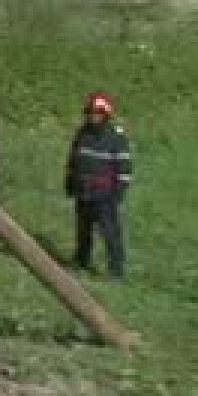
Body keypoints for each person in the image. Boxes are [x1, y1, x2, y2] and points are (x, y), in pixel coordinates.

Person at [66, 91, 133, 278]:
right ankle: (81, 259)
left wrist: (119, 192)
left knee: (110, 232)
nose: (93, 116)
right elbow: (74, 158)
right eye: (90, 112)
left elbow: (125, 167)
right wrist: (70, 181)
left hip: (105, 194)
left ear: (106, 115)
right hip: (83, 191)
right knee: (83, 230)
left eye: (97, 113)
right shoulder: (82, 133)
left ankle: (116, 269)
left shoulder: (116, 137)